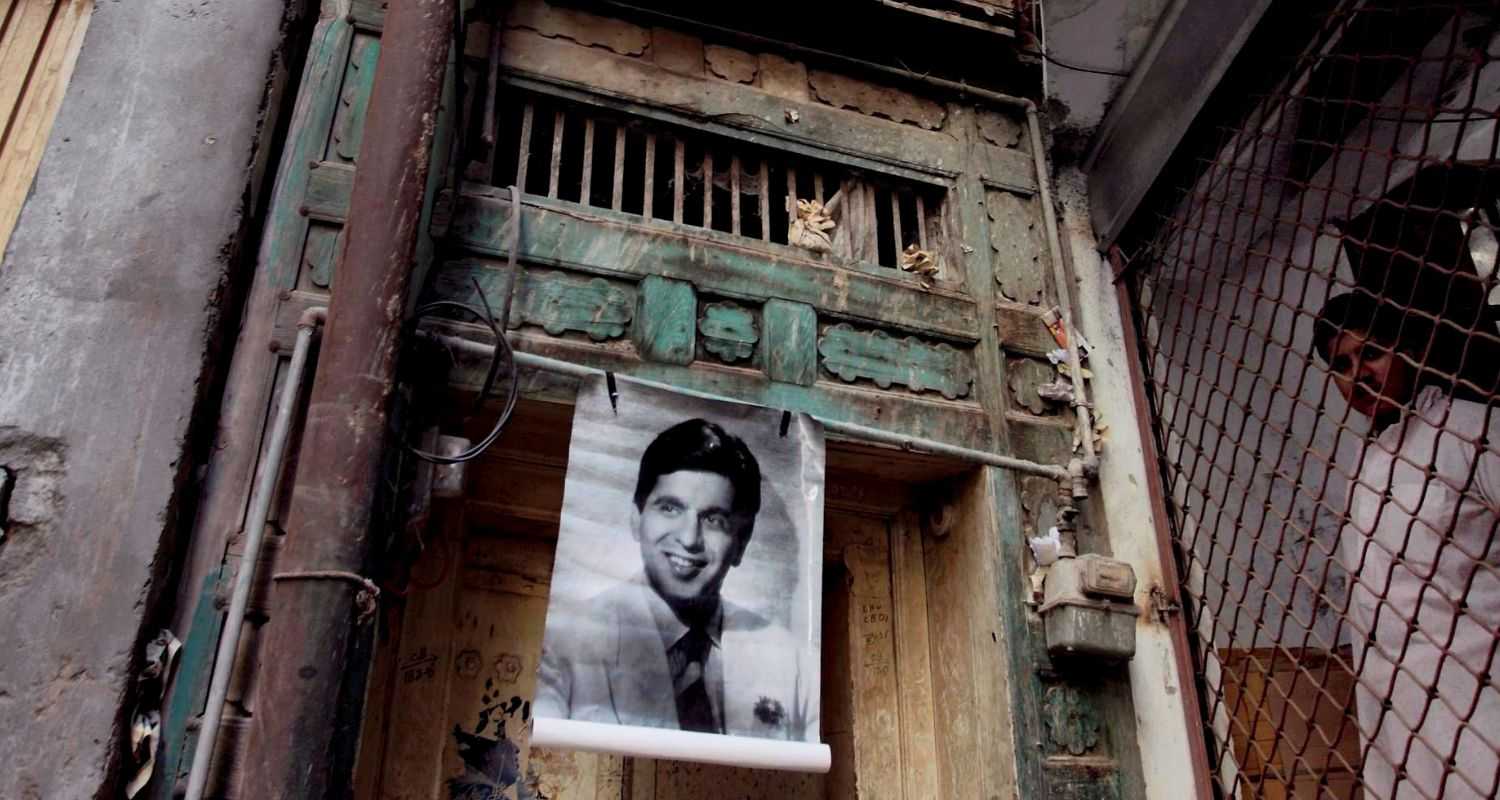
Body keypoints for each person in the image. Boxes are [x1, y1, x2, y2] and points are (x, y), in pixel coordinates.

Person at [1313, 292, 1500, 799]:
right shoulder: (1361, 465)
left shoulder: (1471, 430)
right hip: (1395, 717)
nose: (1360, 374)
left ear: (1407, 352)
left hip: (1479, 703)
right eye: (1342, 364)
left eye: (1372, 353)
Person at [535, 418, 816, 741]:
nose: (689, 538)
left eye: (714, 519)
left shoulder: (793, 662)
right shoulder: (562, 645)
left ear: (741, 542)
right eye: (669, 509)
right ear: (636, 518)